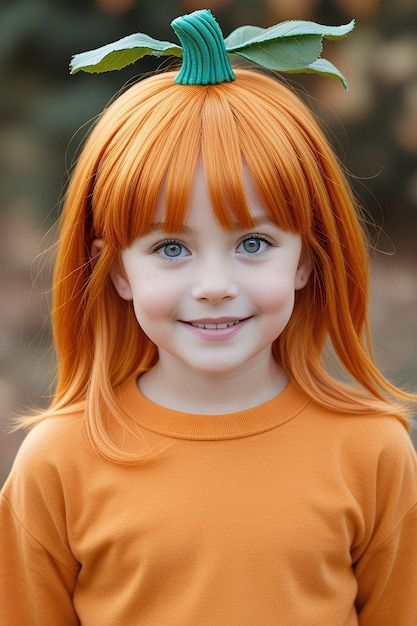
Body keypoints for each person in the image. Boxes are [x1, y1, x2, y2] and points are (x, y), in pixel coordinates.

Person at [1, 9, 416, 625]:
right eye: (171, 248)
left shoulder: (372, 451)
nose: (215, 287)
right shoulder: (58, 462)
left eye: (253, 243)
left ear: (308, 257)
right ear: (115, 270)